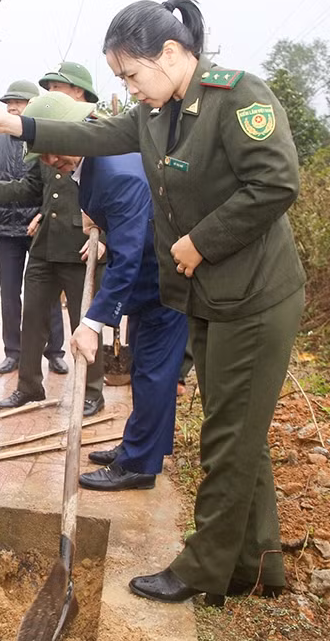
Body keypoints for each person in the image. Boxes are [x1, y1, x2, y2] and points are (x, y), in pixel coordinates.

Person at [0, 0, 305, 604]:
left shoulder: (239, 98)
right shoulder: (155, 115)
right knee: (242, 432)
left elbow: (278, 182)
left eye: (130, 73)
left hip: (254, 297)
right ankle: (257, 566)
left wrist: (198, 244)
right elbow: (91, 135)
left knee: (227, 438)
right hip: (211, 297)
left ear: (172, 53)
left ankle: (201, 568)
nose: (127, 86)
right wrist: (16, 124)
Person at [53, 138, 188, 492]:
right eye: (44, 154)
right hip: (152, 277)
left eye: (56, 149)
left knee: (154, 374)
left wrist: (92, 324)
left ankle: (139, 465)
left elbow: (127, 259)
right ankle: (137, 447)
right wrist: (102, 228)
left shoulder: (115, 174)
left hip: (165, 284)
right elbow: (133, 223)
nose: (52, 159)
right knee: (144, 368)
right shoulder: (96, 163)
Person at [0, 91, 104, 417]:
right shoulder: (46, 148)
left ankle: (92, 391)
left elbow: (117, 198)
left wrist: (105, 238)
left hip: (81, 248)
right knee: (32, 319)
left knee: (84, 323)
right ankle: (28, 386)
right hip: (44, 248)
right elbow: (30, 186)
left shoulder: (95, 142)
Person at [0, 80, 67, 376]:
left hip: (39, 228)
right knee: (9, 293)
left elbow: (50, 186)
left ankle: (54, 351)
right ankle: (13, 352)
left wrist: (46, 215)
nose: (12, 106)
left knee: (46, 292)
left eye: (19, 102)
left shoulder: (44, 138)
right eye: (9, 102)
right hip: (7, 231)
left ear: (32, 105)